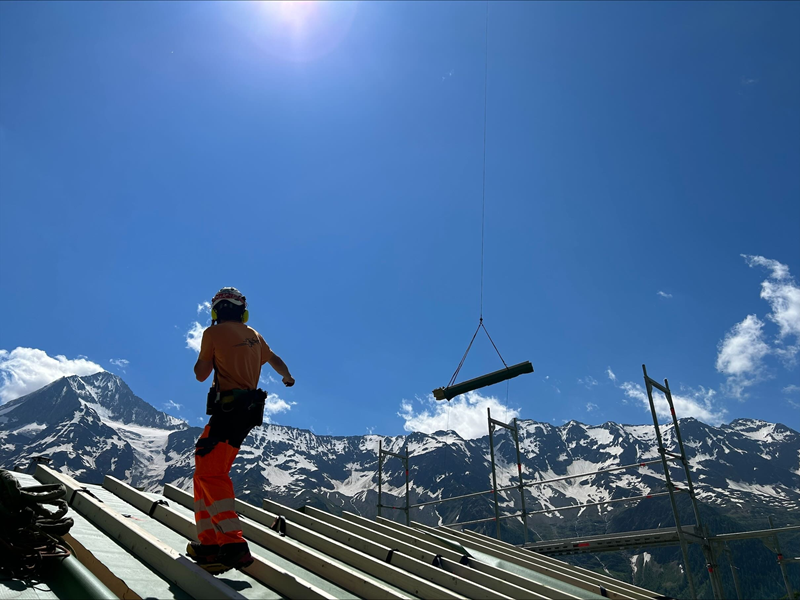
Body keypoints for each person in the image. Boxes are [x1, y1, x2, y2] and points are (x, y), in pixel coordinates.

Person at [187, 287, 294, 572]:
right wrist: (287, 377)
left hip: (228, 409)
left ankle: (232, 544)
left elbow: (200, 375)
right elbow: (275, 360)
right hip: (247, 412)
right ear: (242, 311)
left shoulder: (213, 334)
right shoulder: (254, 335)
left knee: (211, 472)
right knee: (204, 470)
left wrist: (206, 351)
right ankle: (209, 542)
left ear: (216, 312)